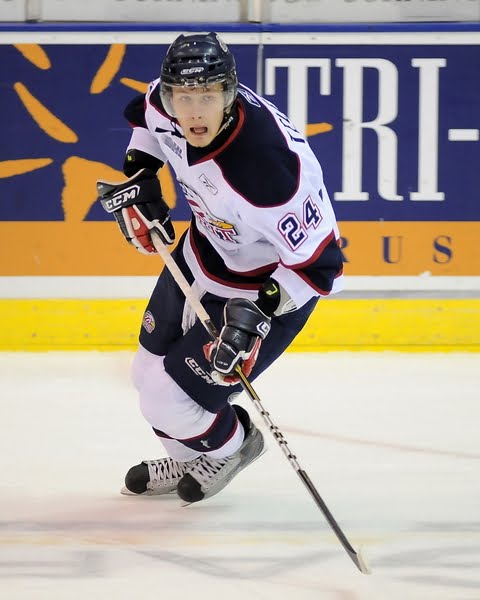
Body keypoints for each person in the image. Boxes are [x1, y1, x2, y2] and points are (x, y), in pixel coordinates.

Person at [96, 32, 344, 504]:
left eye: (206, 97)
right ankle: (195, 456)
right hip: (202, 253)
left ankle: (234, 446)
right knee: (144, 375)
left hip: (262, 290)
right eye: (182, 96)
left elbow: (322, 267)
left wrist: (258, 315)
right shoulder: (165, 103)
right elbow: (145, 122)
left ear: (229, 94)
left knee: (167, 400)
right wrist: (142, 175)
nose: (192, 112)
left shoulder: (269, 170)